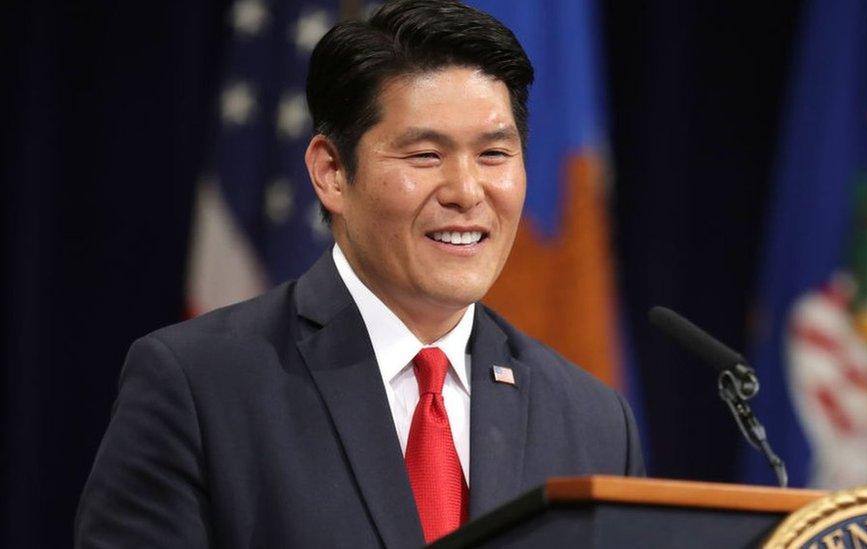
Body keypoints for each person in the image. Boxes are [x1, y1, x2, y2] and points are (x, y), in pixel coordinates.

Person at [75, 1, 644, 547]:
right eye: (425, 155)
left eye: (494, 155)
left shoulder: (592, 420)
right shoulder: (198, 387)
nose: (467, 192)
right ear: (331, 172)